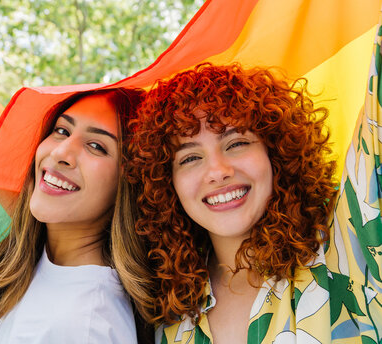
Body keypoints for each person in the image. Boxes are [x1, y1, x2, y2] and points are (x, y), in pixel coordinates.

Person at [128, 62, 382, 343]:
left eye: (236, 143)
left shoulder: (343, 244)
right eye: (190, 158)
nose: (218, 171)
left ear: (276, 152)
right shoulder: (166, 312)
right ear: (167, 183)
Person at [0, 89, 153, 344]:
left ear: (129, 182)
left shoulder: (87, 324)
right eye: (62, 131)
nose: (60, 153)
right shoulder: (45, 264)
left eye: (96, 146)